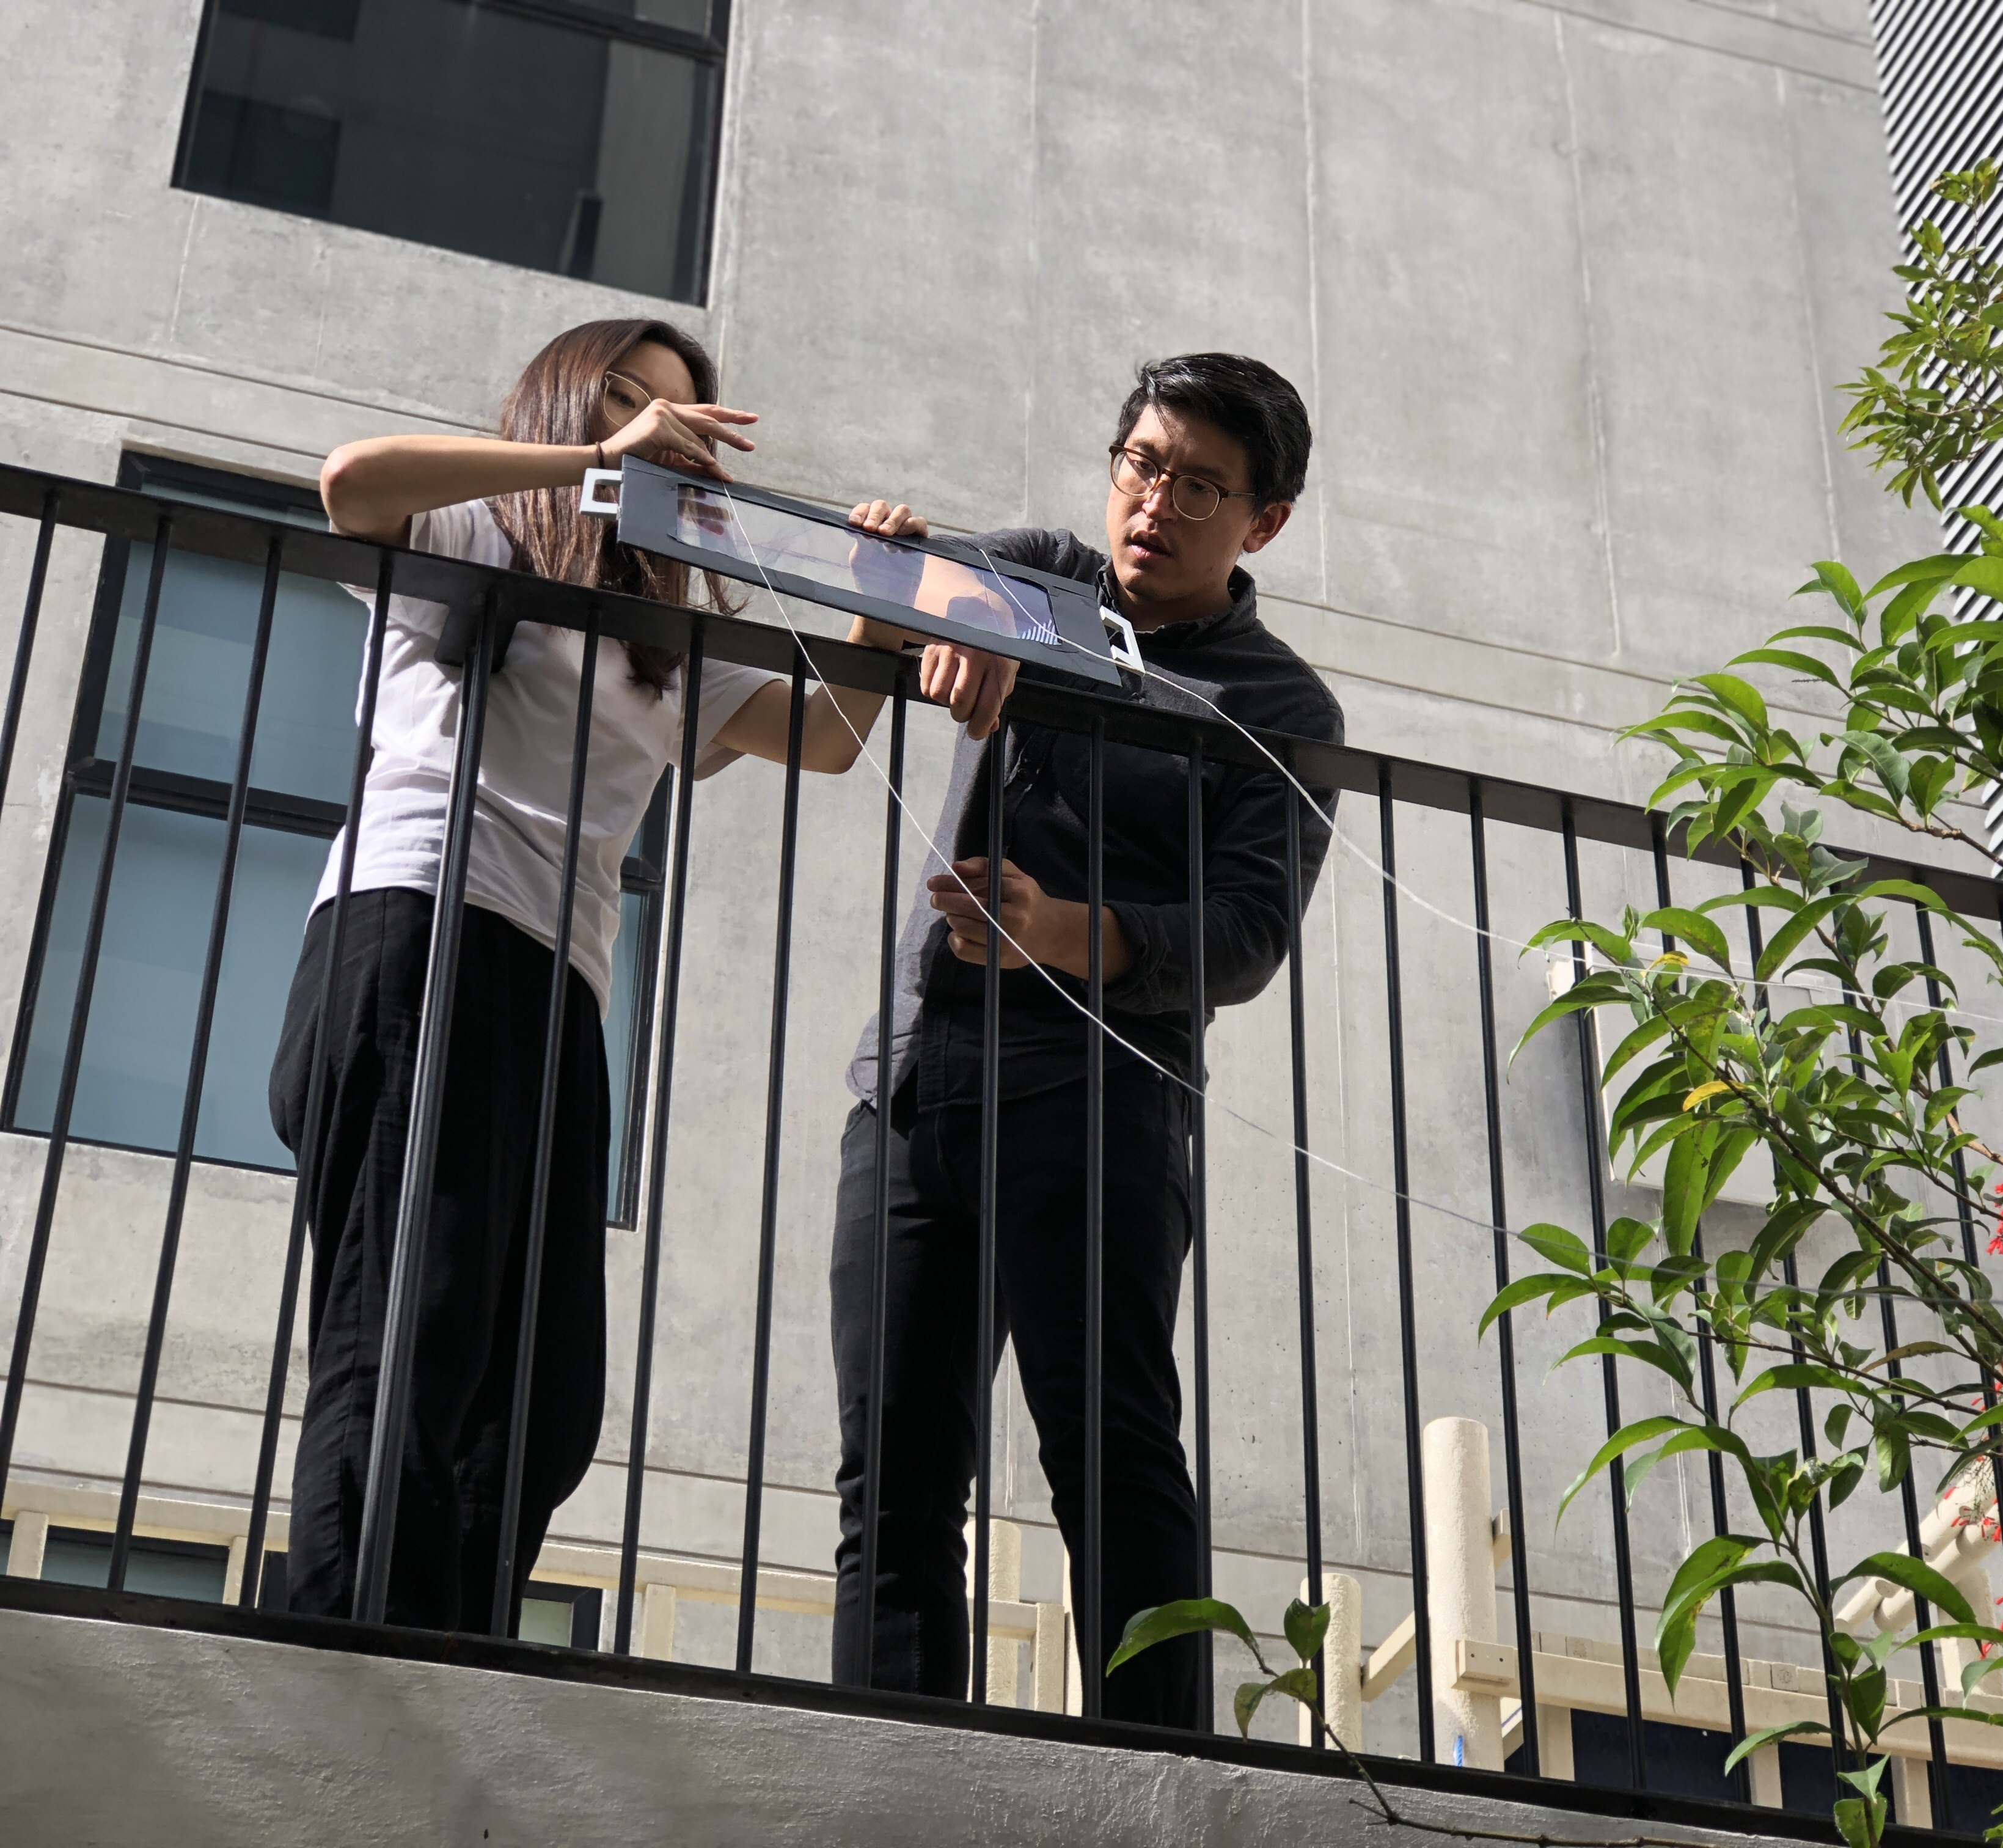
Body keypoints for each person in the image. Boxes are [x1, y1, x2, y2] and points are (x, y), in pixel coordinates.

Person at [272, 316, 1015, 1630]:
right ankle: (343, 1654)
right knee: (407, 1334)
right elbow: (351, 483)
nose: (667, 436)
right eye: (634, 402)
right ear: (573, 403)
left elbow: (825, 739)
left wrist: (874, 602)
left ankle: (444, 1648)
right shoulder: (484, 533)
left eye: (688, 427)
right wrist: (592, 463)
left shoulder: (661, 626)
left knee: (548, 1398)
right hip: (419, 925)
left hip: (559, 979)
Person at [833, 353, 1344, 1726]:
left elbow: (1246, 935)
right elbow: (912, 590)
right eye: (1141, 465)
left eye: (1200, 486)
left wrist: (1057, 930)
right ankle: (891, 1764)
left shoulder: (1282, 707)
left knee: (1111, 1460)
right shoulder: (1044, 575)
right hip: (917, 1079)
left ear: (1264, 522)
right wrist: (928, 592)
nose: (1155, 503)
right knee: (892, 1473)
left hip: (1104, 1099)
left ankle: (1153, 1771)